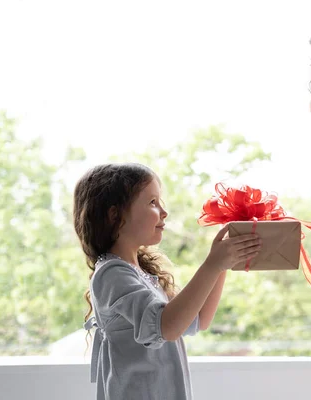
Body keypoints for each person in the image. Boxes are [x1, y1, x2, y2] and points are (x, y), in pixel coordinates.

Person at [72, 162, 261, 400]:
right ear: (115, 215)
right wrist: (212, 264)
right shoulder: (111, 274)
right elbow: (167, 327)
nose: (163, 211)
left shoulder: (141, 274)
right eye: (152, 202)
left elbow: (199, 319)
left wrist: (220, 266)